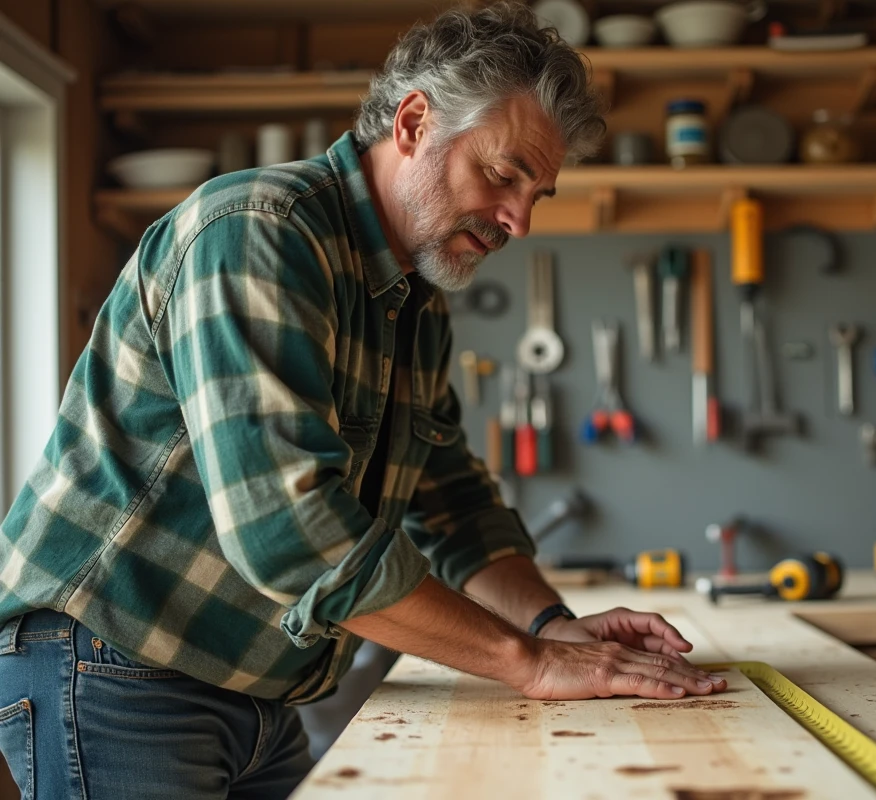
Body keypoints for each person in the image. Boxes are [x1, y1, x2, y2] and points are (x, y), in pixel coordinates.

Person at [0, 5, 726, 798]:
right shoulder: (256, 231)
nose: (519, 219)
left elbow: (451, 506)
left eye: (537, 194)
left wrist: (552, 626)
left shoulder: (413, 301)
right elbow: (288, 532)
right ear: (414, 122)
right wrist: (529, 662)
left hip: (258, 689)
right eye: (503, 173)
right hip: (120, 664)